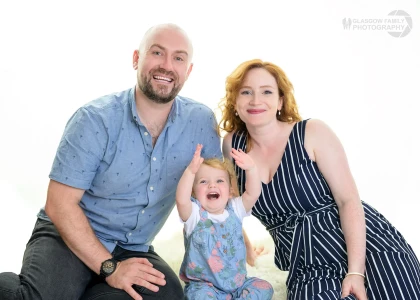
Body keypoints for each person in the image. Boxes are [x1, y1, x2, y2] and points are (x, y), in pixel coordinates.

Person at [0, 23, 222, 300]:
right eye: (157, 53)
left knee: (168, 296)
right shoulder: (95, 119)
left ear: (188, 71)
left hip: (134, 247)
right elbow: (59, 204)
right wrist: (110, 269)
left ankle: (86, 288)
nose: (167, 65)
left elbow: (212, 194)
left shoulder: (201, 122)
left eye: (178, 58)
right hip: (69, 235)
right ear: (136, 59)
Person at [218, 59, 420, 300]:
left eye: (267, 91)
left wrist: (355, 271)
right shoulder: (232, 144)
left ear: (280, 101)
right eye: (246, 92)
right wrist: (248, 251)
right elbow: (231, 207)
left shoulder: (312, 132)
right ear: (235, 100)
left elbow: (348, 200)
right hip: (305, 263)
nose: (255, 100)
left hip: (363, 247)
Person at [176, 144, 274, 299]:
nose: (212, 185)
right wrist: (190, 172)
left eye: (220, 181)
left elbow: (253, 193)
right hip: (205, 287)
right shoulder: (194, 215)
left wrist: (251, 169)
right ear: (193, 192)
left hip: (237, 284)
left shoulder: (235, 209)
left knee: (264, 287)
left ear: (230, 191)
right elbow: (181, 200)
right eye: (203, 182)